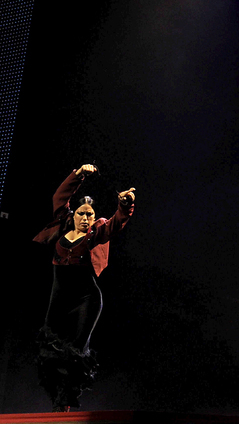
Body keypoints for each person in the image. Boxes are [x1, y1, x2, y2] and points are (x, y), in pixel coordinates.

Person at [33, 164, 136, 411]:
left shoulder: (93, 235)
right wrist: (78, 174)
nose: (86, 218)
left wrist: (125, 205)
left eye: (90, 215)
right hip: (60, 298)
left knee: (76, 351)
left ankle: (66, 403)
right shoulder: (63, 225)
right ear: (73, 215)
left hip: (86, 299)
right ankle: (57, 399)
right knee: (50, 345)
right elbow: (59, 197)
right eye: (82, 213)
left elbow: (116, 223)